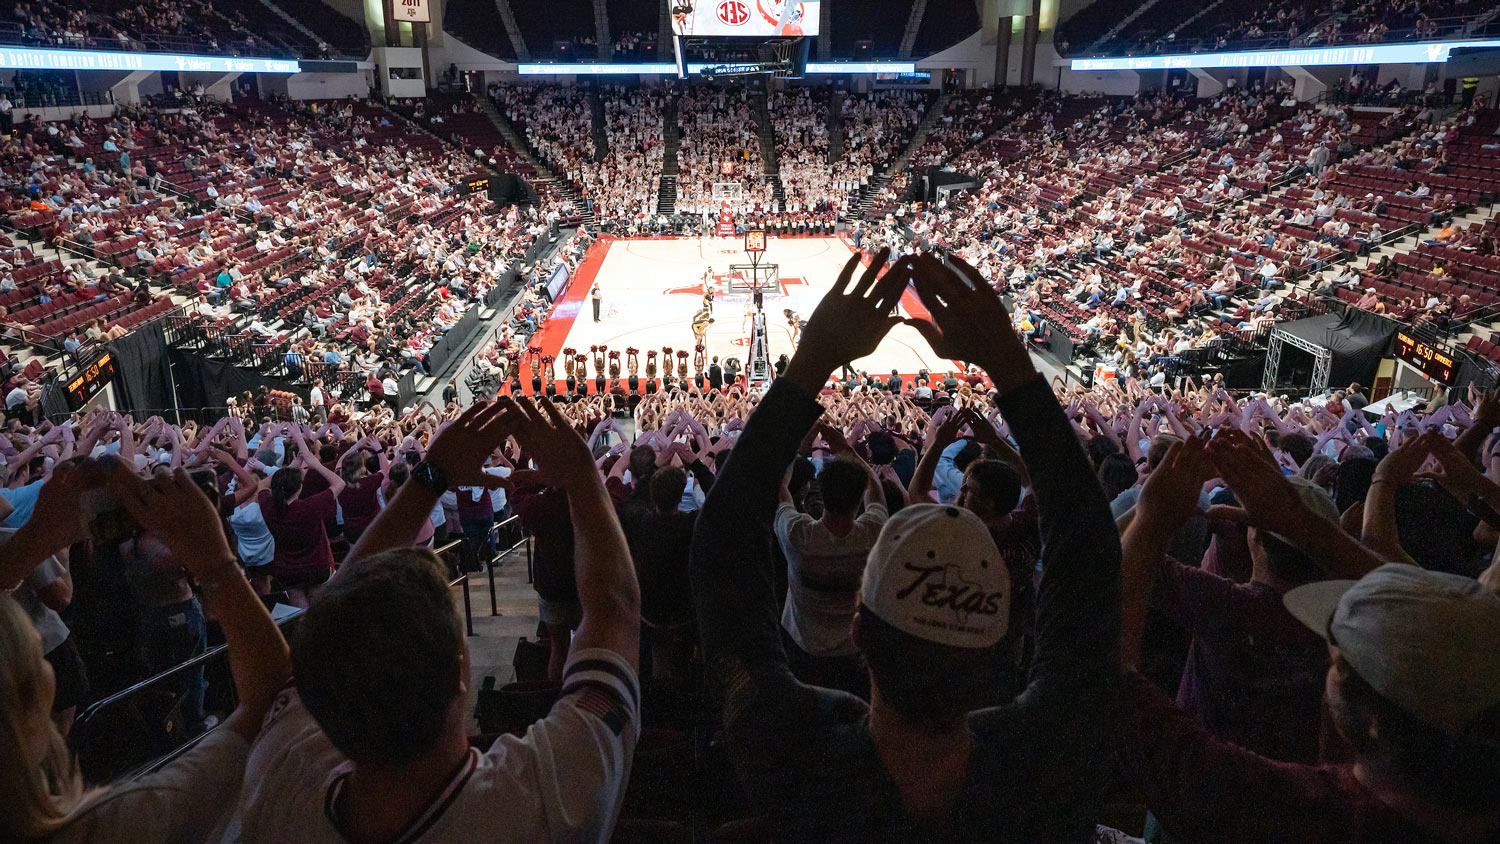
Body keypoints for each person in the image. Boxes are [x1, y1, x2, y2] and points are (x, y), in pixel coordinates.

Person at [690, 250, 1121, 840]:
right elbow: (1091, 551)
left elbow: (721, 544)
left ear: (858, 629)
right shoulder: (1047, 767)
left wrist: (812, 360)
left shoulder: (794, 761)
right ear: (1001, 645)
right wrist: (1009, 360)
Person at [232, 398, 642, 843]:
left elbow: (326, 629)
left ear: (319, 690)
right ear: (460, 671)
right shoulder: (548, 798)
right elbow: (613, 607)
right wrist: (584, 473)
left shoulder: (277, 780)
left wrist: (430, 478)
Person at [1117, 429, 1500, 843]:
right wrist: (1298, 521)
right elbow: (1419, 611)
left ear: (1373, 721)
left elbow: (1108, 684)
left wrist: (1151, 516)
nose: (1325, 646)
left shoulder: (1294, 813)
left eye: (1337, 659)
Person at [0, 459, 291, 843]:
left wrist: (34, 537)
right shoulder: (119, 826)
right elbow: (268, 694)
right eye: (37, 654)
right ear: (28, 700)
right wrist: (214, 558)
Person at [774, 424, 888, 697]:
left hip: (803, 646)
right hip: (855, 649)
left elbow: (778, 487)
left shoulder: (797, 533)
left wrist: (797, 450)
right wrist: (846, 450)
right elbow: (876, 490)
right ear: (858, 497)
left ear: (821, 493)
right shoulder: (873, 531)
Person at [258, 427, 346, 607]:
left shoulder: (268, 506)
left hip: (287, 570)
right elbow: (339, 482)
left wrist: (292, 467)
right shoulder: (310, 506)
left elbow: (262, 486)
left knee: (299, 615)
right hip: (317, 566)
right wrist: (315, 464)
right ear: (300, 487)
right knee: (319, 611)